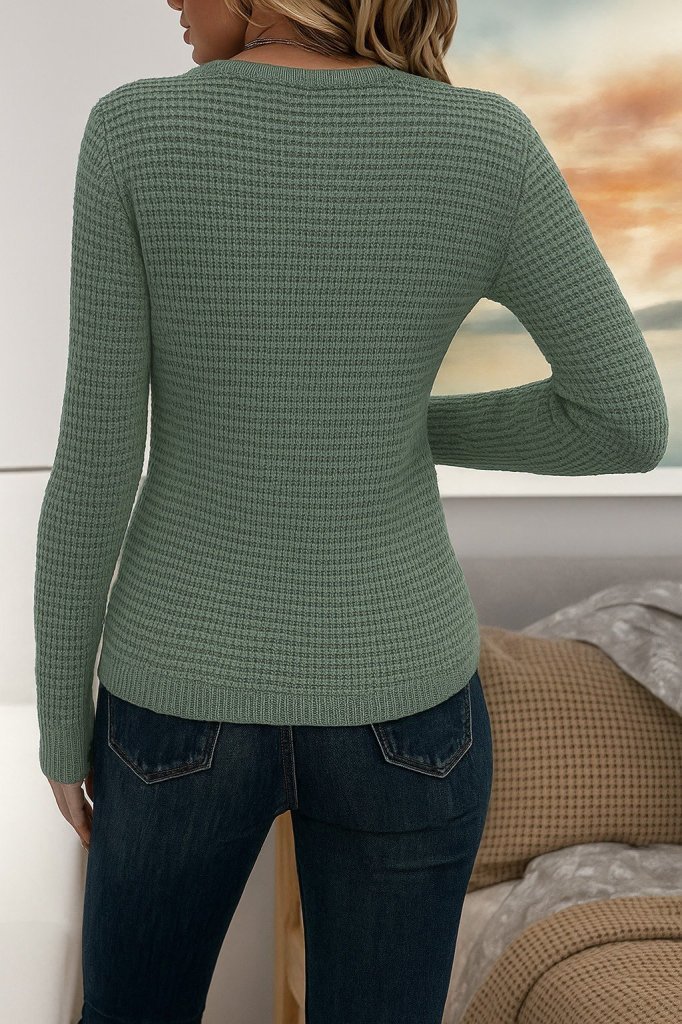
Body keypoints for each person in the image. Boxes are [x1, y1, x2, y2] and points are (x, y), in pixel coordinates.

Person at [33, 0, 668, 1021]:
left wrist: (63, 726)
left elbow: (96, 461)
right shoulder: (486, 143)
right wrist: (394, 426)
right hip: (406, 707)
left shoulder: (136, 131)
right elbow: (625, 424)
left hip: (176, 695)